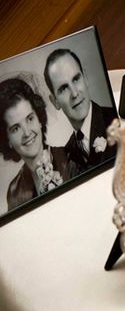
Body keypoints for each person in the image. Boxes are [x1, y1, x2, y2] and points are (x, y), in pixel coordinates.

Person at [0, 77, 73, 211]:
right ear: (7, 139)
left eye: (30, 118)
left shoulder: (71, 158)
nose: (27, 133)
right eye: (16, 128)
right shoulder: (14, 191)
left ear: (39, 119)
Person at [43, 48, 116, 171]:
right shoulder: (65, 156)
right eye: (64, 88)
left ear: (85, 78)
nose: (75, 93)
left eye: (76, 79)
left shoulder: (115, 119)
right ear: (55, 101)